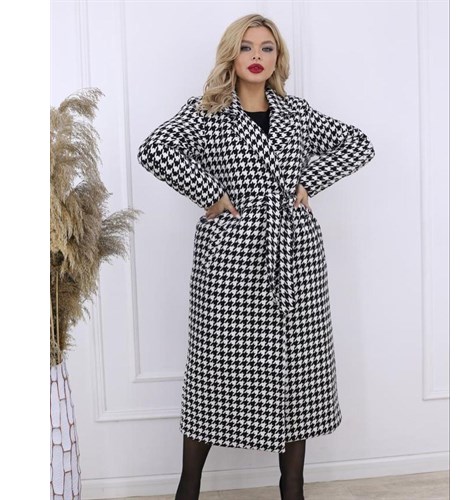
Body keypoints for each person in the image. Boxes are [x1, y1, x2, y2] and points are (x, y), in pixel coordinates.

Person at [137, 13, 375, 500]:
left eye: (267, 48)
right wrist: (211, 194)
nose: (257, 57)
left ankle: (293, 487)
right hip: (230, 259)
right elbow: (154, 149)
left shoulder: (297, 114)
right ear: (232, 54)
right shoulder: (207, 111)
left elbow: (359, 144)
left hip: (296, 256)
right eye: (247, 47)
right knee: (212, 376)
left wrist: (310, 181)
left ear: (277, 57)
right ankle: (188, 488)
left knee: (296, 372)